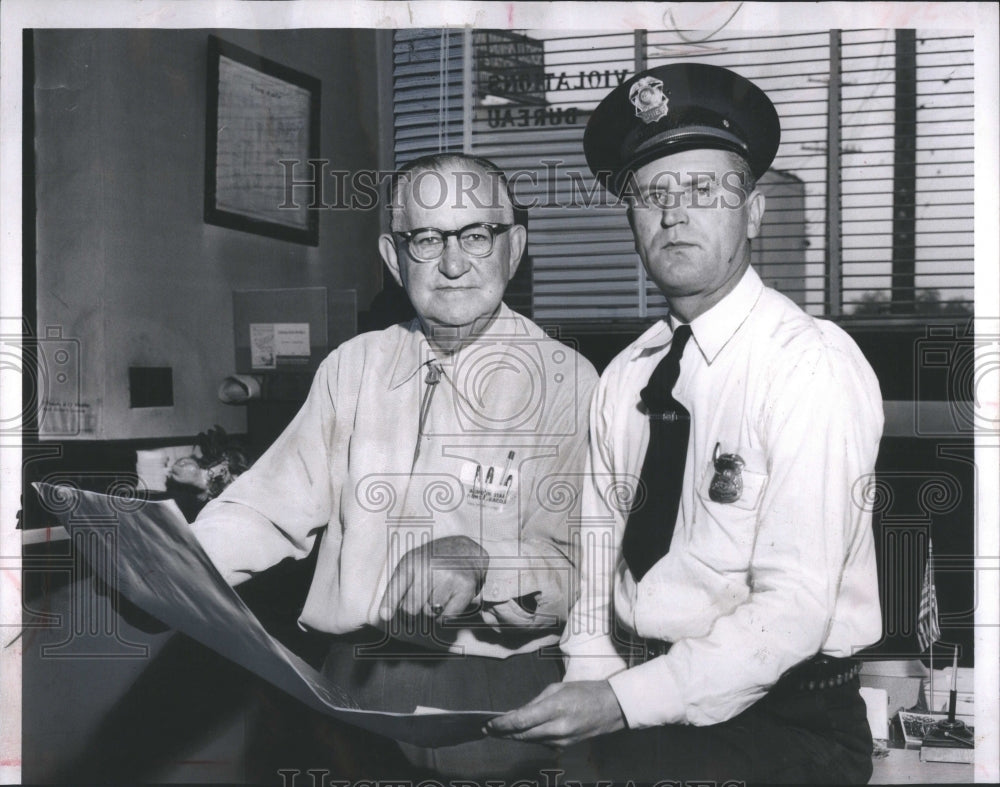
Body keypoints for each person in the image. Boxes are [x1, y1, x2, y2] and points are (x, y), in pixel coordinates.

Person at [488, 63, 884, 785]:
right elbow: (595, 563)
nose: (674, 214)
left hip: (787, 722)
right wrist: (591, 675)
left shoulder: (808, 365)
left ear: (754, 212)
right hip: (642, 704)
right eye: (651, 195)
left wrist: (617, 702)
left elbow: (793, 609)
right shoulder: (624, 377)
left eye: (703, 190)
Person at [191, 152, 598, 779]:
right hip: (353, 683)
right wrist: (170, 564)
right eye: (427, 238)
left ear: (513, 247)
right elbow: (268, 507)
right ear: (393, 255)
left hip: (498, 695)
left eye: (476, 234)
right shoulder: (353, 367)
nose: (454, 262)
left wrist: (481, 562)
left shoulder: (568, 381)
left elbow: (585, 571)